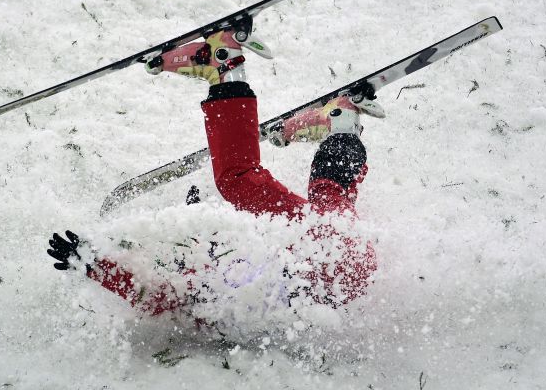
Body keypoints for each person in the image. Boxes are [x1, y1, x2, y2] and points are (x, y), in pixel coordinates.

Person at [48, 29, 383, 317]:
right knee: (236, 179)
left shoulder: (217, 292)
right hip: (320, 259)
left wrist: (94, 265)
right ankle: (223, 64)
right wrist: (93, 265)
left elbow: (159, 294)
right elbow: (157, 298)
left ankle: (343, 122)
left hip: (354, 266)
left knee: (329, 199)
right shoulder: (204, 297)